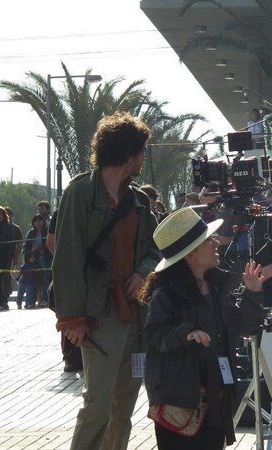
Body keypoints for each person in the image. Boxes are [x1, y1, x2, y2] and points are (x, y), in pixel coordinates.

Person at [52, 111, 160, 450]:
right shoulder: (80, 193)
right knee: (97, 406)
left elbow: (154, 248)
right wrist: (72, 318)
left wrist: (142, 272)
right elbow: (66, 257)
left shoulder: (139, 201)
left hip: (135, 317)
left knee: (123, 409)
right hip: (99, 317)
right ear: (127, 153)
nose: (144, 157)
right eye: (142, 150)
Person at [140, 207, 266, 450]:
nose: (216, 243)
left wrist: (253, 294)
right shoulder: (166, 295)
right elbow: (154, 335)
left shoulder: (216, 285)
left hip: (215, 399)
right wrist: (186, 333)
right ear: (190, 254)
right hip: (180, 405)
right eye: (208, 241)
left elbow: (242, 326)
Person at [47, 210, 83, 372]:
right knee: (70, 314)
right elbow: (50, 242)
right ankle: (72, 356)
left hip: (78, 272)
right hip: (74, 273)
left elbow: (50, 243)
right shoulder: (61, 212)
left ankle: (74, 357)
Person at [22, 214, 52, 308]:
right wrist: (30, 256)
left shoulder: (47, 232)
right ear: (33, 223)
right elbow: (25, 247)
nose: (38, 223)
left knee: (46, 279)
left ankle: (47, 300)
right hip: (33, 261)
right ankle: (31, 301)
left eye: (40, 221)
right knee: (32, 281)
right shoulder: (30, 233)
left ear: (44, 222)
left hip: (46, 259)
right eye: (36, 221)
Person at [4, 207, 22, 300]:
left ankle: (6, 293)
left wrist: (16, 256)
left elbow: (19, 243)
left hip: (11, 256)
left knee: (7, 275)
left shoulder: (15, 228)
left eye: (8, 214)